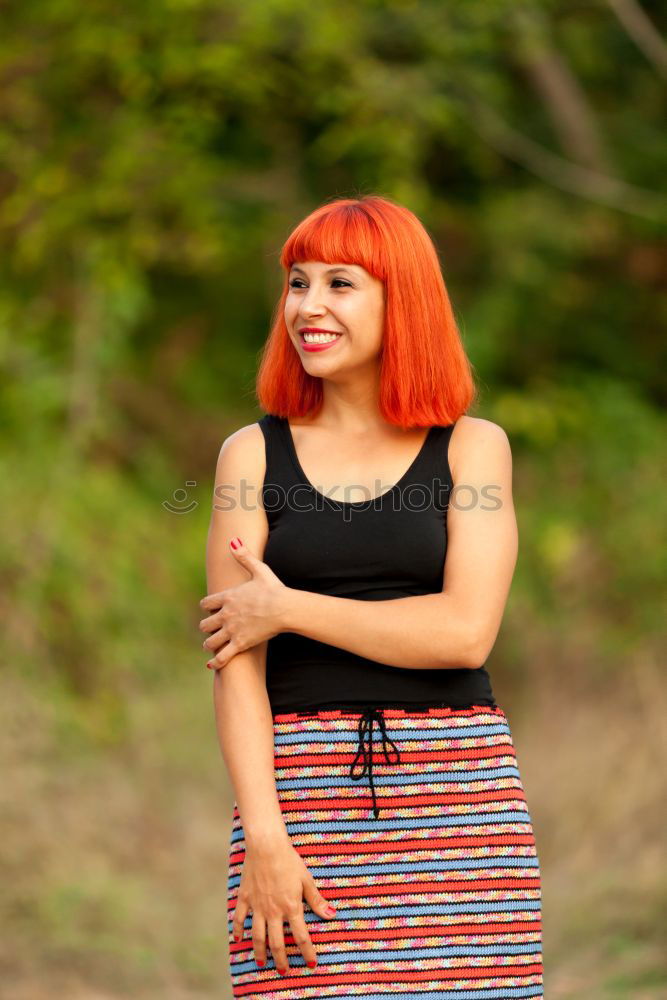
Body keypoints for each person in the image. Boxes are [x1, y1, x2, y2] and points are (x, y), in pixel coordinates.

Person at [199, 194, 544, 998]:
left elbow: (463, 634)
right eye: (296, 282)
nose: (308, 307)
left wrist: (287, 609)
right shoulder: (249, 455)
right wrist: (266, 840)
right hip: (297, 803)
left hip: (458, 797)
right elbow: (235, 665)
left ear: (403, 300)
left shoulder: (471, 447)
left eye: (339, 284)